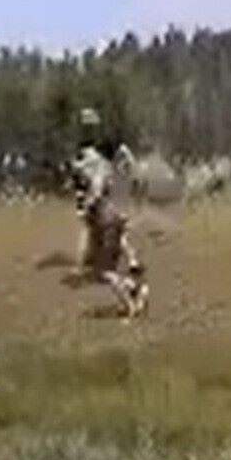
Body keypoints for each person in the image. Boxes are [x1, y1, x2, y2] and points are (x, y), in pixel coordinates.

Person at [68, 111, 148, 317]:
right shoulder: (97, 160)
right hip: (109, 216)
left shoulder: (97, 159)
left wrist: (88, 204)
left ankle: (132, 303)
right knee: (100, 266)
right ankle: (133, 285)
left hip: (106, 217)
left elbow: (97, 186)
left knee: (104, 271)